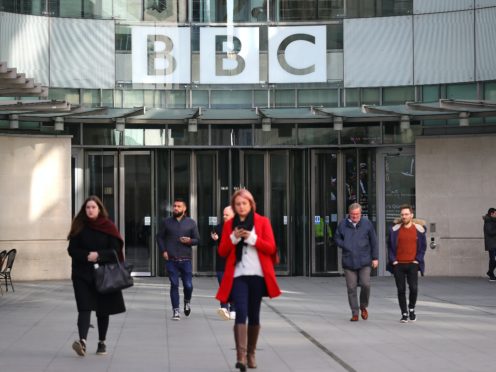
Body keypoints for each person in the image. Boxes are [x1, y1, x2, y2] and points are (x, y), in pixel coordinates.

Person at [216, 189, 281, 372]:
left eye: (244, 203)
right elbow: (222, 251)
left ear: (251, 204)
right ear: (234, 206)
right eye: (238, 204)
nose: (241, 207)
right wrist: (234, 238)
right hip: (238, 276)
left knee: (254, 315)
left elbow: (271, 248)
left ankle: (251, 353)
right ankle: (241, 356)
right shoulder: (230, 225)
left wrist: (252, 238)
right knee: (241, 313)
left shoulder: (262, 222)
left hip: (258, 275)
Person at [67, 195, 126, 357]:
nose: (90, 210)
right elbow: (72, 250)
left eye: (93, 207)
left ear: (99, 209)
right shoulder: (78, 226)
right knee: (84, 307)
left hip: (103, 274)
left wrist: (98, 255)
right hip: (81, 275)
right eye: (87, 207)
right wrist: (87, 256)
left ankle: (102, 342)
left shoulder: (108, 226)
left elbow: (115, 251)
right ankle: (83, 342)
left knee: (102, 309)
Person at [157, 198, 200, 320]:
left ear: (184, 208)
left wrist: (190, 241)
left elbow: (197, 239)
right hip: (171, 259)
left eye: (179, 206)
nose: (176, 208)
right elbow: (159, 237)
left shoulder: (191, 223)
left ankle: (187, 301)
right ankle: (176, 311)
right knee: (174, 284)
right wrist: (163, 251)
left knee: (188, 285)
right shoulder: (166, 222)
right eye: (174, 206)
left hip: (186, 259)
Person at [335, 203, 378, 322]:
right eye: (353, 214)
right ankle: (355, 312)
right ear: (349, 214)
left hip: (364, 260)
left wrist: (375, 258)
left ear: (361, 213)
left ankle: (363, 306)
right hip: (349, 261)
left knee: (365, 284)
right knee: (351, 287)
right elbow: (337, 238)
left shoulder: (367, 224)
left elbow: (374, 241)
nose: (355, 216)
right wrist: (345, 245)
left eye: (357, 214)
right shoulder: (343, 224)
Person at [387, 204, 427, 323]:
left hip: (412, 263)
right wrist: (393, 260)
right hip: (398, 264)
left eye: (406, 214)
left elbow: (423, 247)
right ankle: (404, 313)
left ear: (411, 215)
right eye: (402, 214)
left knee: (414, 288)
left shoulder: (418, 230)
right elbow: (390, 246)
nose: (404, 216)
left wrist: (417, 259)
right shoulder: (395, 230)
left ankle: (411, 309)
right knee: (401, 289)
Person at [212, 205, 236, 320]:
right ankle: (224, 308)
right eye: (223, 214)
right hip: (222, 262)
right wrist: (214, 239)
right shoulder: (218, 228)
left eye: (227, 214)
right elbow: (209, 243)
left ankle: (234, 308)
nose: (224, 216)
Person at [483, 208, 496, 281]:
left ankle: (490, 272)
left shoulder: (493, 221)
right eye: (495, 213)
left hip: (494, 243)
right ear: (491, 214)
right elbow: (490, 232)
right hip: (491, 244)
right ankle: (491, 274)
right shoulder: (488, 221)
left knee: (493, 260)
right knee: (492, 260)